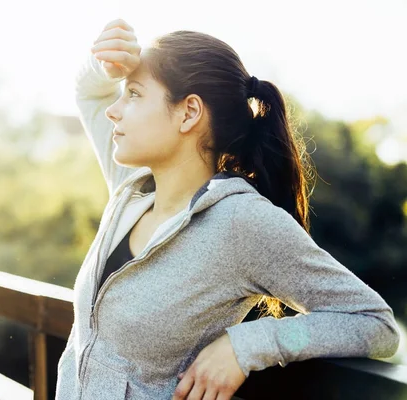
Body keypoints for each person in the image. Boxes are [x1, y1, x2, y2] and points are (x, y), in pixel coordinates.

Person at [55, 18, 400, 400]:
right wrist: (106, 63)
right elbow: (89, 93)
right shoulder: (130, 191)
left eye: (134, 94)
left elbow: (374, 326)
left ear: (189, 113)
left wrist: (252, 343)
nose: (113, 111)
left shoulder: (242, 222)